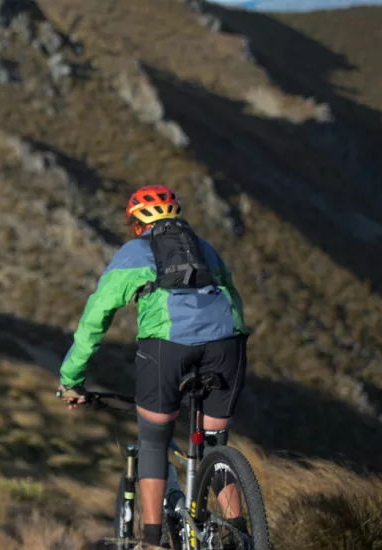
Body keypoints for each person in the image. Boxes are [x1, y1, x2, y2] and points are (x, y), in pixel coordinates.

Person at [56, 185, 250, 547]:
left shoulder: (133, 253)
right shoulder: (204, 248)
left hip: (166, 349)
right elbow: (232, 297)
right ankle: (241, 537)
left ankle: (151, 540)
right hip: (227, 347)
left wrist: (71, 379)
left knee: (153, 442)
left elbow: (95, 319)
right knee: (214, 444)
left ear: (136, 224)